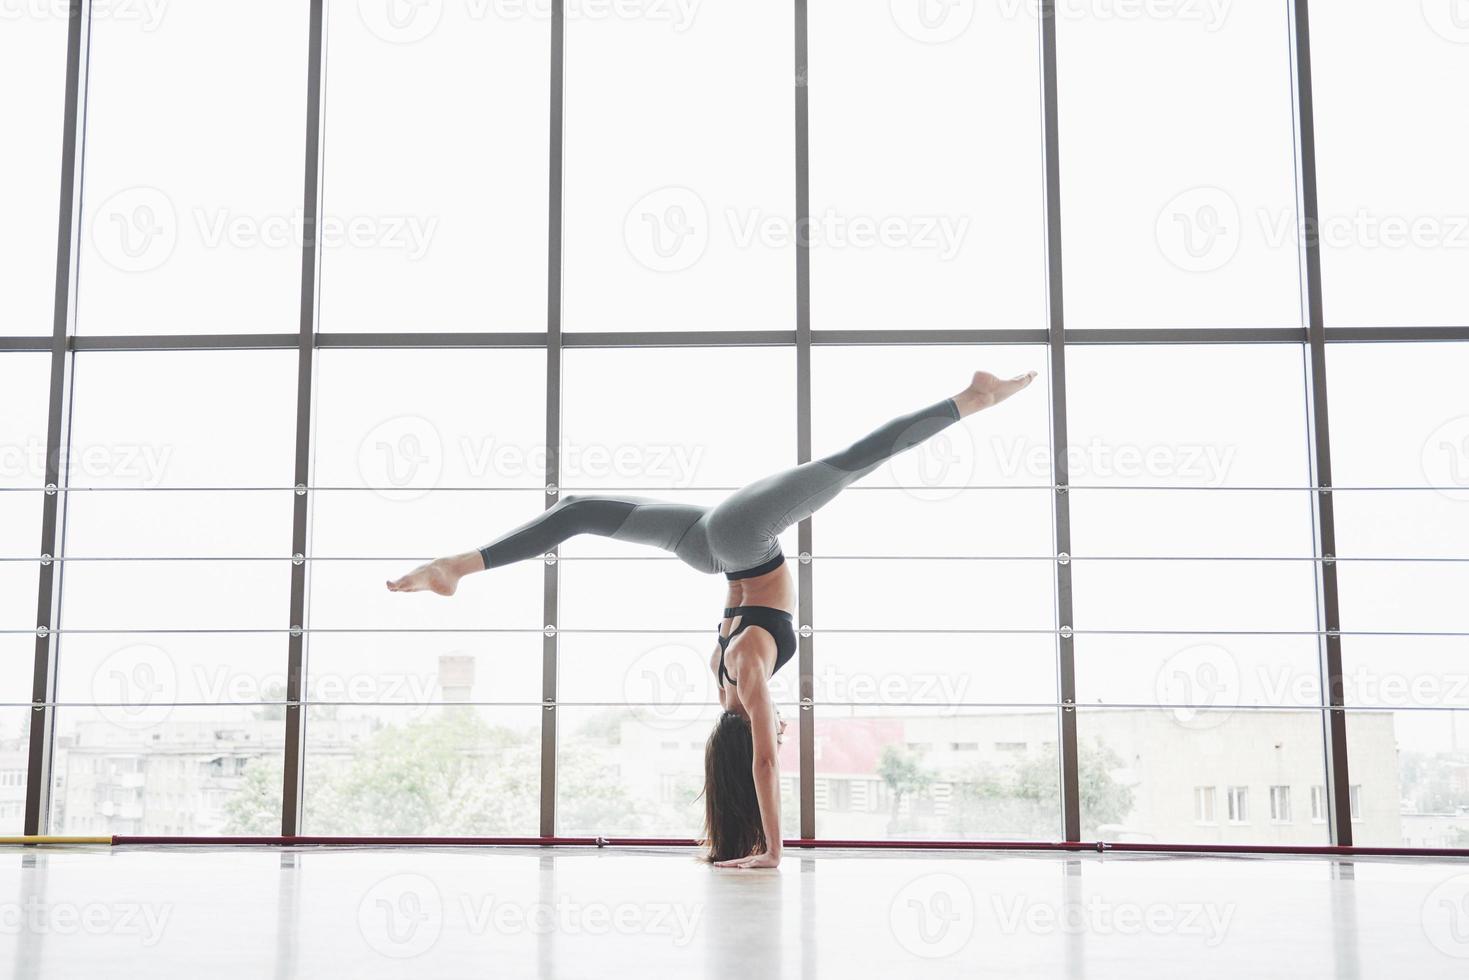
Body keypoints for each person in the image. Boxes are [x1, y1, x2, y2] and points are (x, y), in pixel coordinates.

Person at [387, 369, 1038, 868]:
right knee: (581, 509)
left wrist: (775, 850)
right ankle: (457, 566)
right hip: (715, 555)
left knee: (850, 463)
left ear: (748, 727)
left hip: (742, 540)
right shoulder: (725, 678)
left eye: (772, 734)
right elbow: (745, 749)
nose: (781, 734)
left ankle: (973, 398)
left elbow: (758, 765)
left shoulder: (747, 674)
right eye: (780, 736)